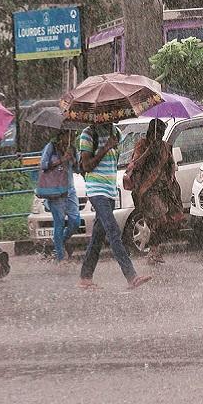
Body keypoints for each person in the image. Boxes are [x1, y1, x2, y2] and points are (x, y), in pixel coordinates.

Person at [78, 123, 151, 289]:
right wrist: (105, 147)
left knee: (97, 235)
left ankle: (85, 277)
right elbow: (87, 166)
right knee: (113, 230)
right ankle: (131, 276)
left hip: (110, 191)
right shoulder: (88, 134)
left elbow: (113, 162)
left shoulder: (116, 132)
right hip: (96, 190)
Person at [127, 119, 183, 264]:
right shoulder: (142, 144)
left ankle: (155, 249)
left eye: (162, 133)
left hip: (164, 189)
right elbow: (135, 164)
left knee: (172, 220)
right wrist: (149, 151)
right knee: (159, 218)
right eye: (158, 133)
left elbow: (171, 164)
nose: (160, 136)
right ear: (152, 132)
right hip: (148, 189)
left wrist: (171, 177)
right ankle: (153, 251)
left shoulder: (165, 147)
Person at [40, 131, 80, 263]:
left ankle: (60, 242)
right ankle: (60, 257)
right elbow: (44, 165)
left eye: (72, 134)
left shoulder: (72, 149)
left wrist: (72, 159)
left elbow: (78, 168)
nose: (71, 137)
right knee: (60, 223)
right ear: (60, 135)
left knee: (75, 221)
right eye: (67, 134)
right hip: (55, 192)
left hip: (70, 190)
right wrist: (61, 160)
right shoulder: (51, 147)